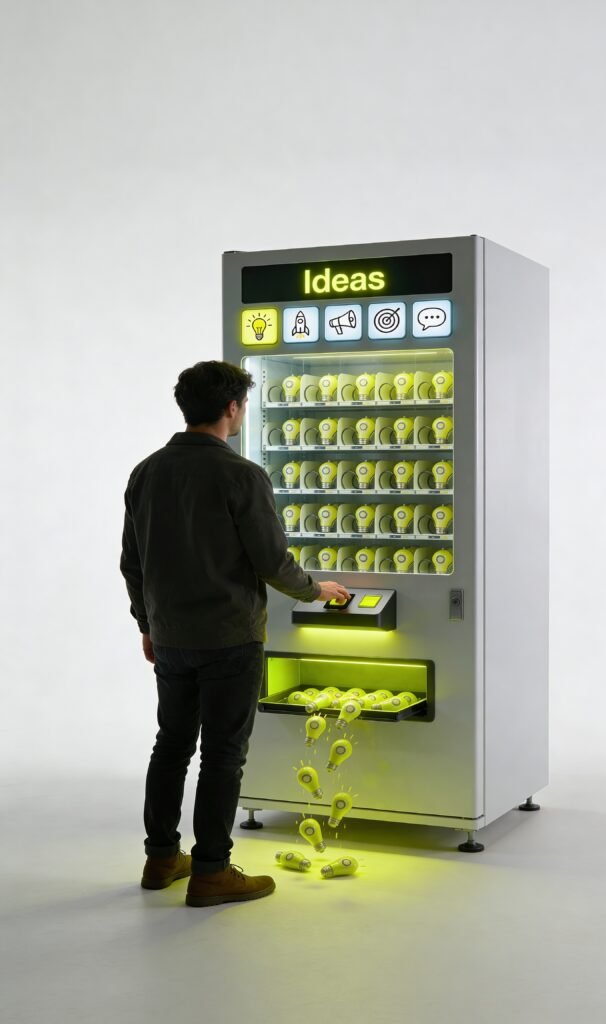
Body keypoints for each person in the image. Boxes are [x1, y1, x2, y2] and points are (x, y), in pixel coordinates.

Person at [120, 360, 350, 907]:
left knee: (170, 746)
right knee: (223, 755)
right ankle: (212, 871)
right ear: (232, 408)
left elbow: (132, 562)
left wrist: (147, 625)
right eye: (243, 404)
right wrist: (318, 591)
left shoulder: (146, 471)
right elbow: (272, 561)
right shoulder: (241, 475)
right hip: (229, 637)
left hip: (172, 637)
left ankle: (160, 858)